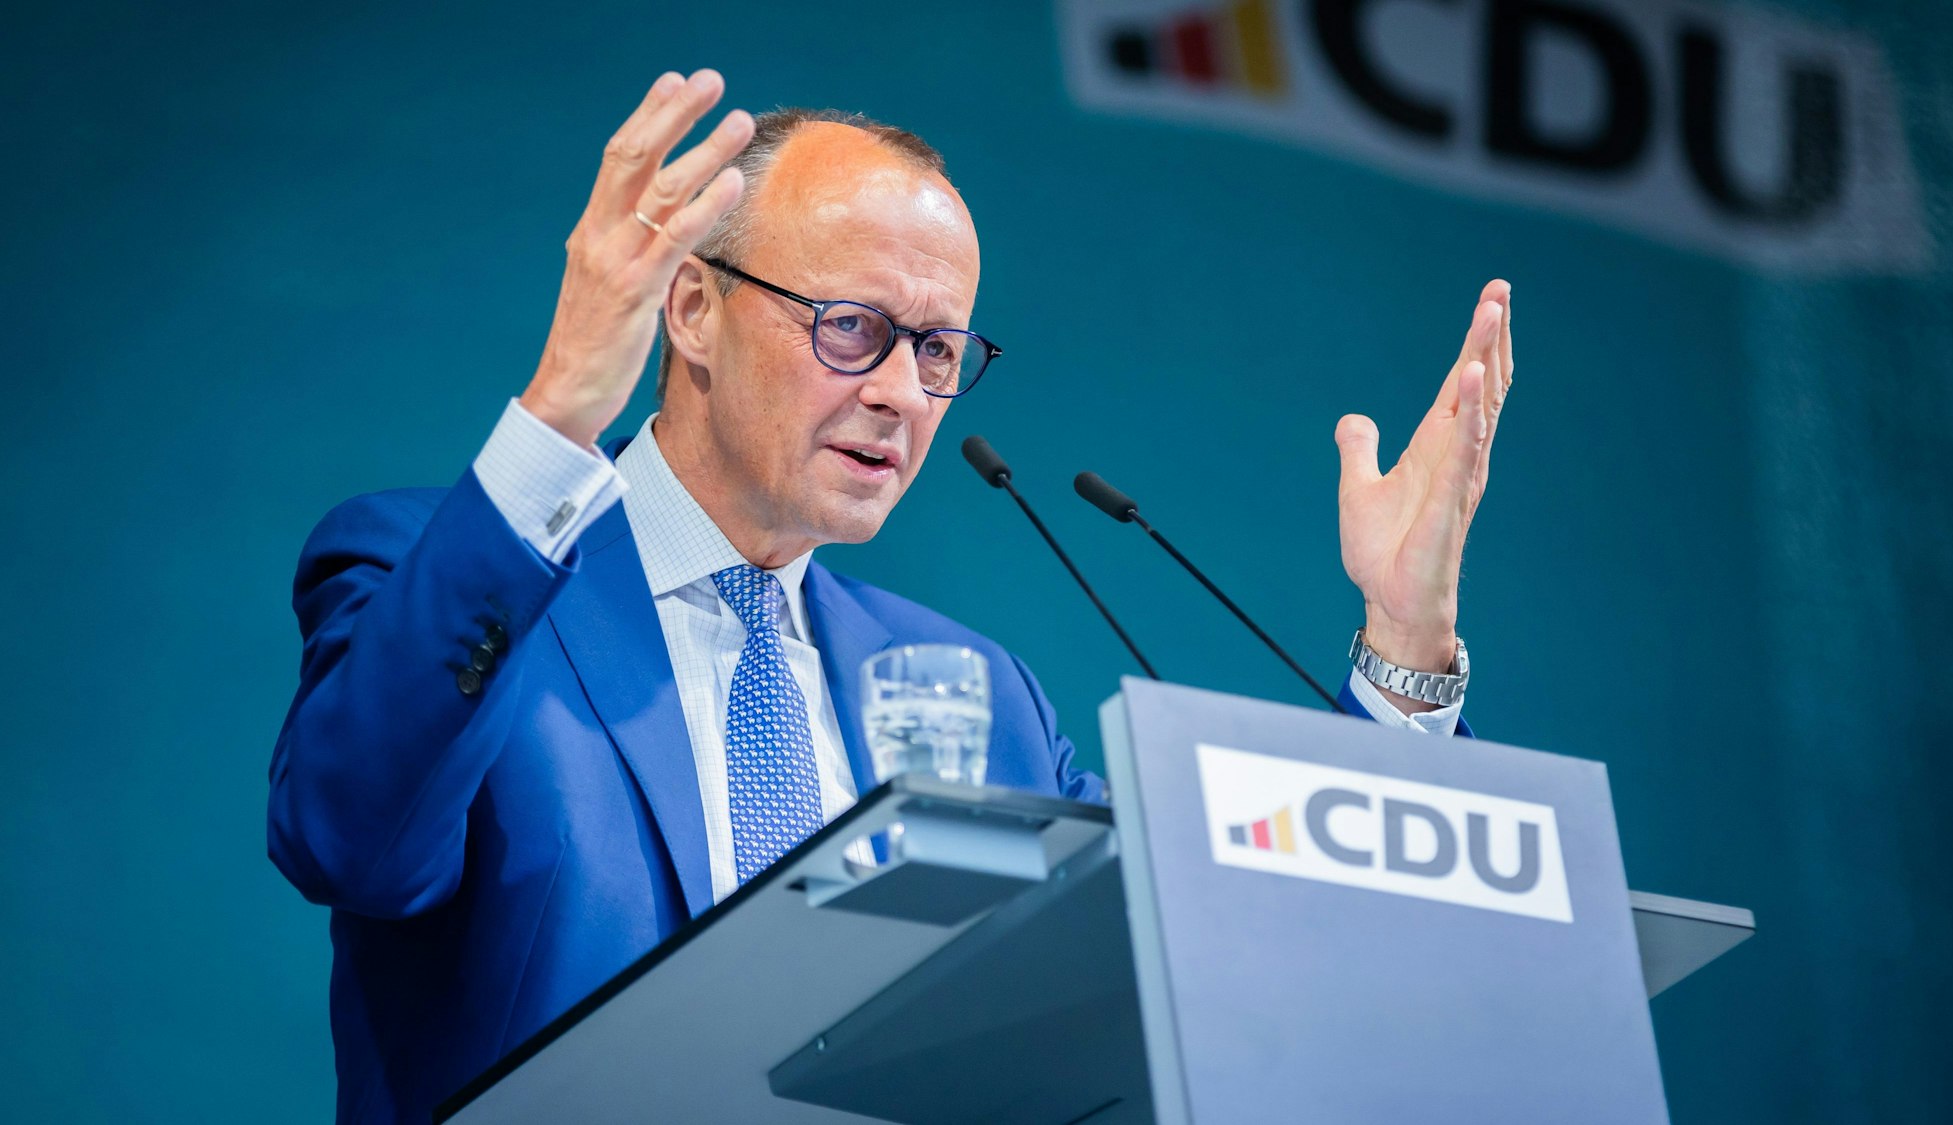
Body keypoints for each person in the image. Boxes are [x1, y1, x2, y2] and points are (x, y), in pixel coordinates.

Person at [267, 67, 1513, 1124]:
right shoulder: (443, 575)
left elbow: (1237, 952)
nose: (902, 394)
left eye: (936, 350)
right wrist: (554, 421)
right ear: (691, 308)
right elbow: (348, 840)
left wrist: (1405, 639)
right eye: (852, 328)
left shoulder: (980, 700)